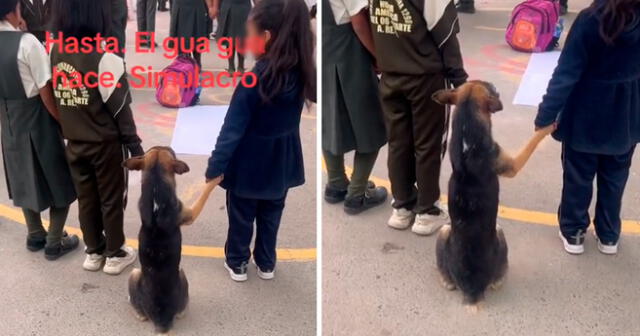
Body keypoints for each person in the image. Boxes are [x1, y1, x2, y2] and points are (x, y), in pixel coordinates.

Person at [205, 0, 315, 282]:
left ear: (266, 37)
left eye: (249, 33)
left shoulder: (254, 80)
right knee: (271, 214)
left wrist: (215, 166)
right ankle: (266, 263)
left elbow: (232, 130)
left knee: (241, 215)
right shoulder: (300, 72)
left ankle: (238, 261)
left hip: (249, 165)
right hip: (280, 162)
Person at [535, 0, 640, 255]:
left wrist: (546, 114)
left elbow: (565, 74)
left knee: (578, 177)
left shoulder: (590, 19)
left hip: (585, 116)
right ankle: (608, 235)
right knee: (615, 177)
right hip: (625, 117)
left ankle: (574, 233)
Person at [50, 0, 144, 274]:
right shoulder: (107, 60)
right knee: (111, 199)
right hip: (105, 145)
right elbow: (120, 111)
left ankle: (93, 251)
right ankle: (114, 254)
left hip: (74, 142)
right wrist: (135, 146)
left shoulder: (56, 52)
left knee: (86, 198)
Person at [368, 0, 468, 235]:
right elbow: (445, 36)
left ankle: (402, 207)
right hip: (426, 78)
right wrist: (460, 81)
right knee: (428, 145)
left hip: (391, 76)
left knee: (399, 144)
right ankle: (426, 211)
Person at [0, 0, 78, 260]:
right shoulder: (28, 42)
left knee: (22, 177)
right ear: (13, 11)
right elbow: (46, 91)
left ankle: (35, 233)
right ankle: (55, 240)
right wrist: (63, 123)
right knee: (61, 180)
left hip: (9, 121)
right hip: (37, 118)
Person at [322, 0, 387, 214]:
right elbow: (358, 22)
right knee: (371, 124)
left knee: (330, 120)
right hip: (349, 54)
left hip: (322, 52)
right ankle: (357, 193)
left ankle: (336, 182)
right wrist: (379, 55)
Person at [211, 0, 252, 72]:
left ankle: (236, 67)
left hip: (240, 6)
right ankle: (236, 67)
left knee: (238, 37)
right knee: (233, 37)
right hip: (231, 5)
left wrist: (215, 7)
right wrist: (215, 7)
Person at [170, 0, 213, 67]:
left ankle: (197, 61)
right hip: (180, 5)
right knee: (181, 34)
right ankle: (184, 60)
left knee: (197, 32)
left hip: (196, 4)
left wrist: (210, 7)